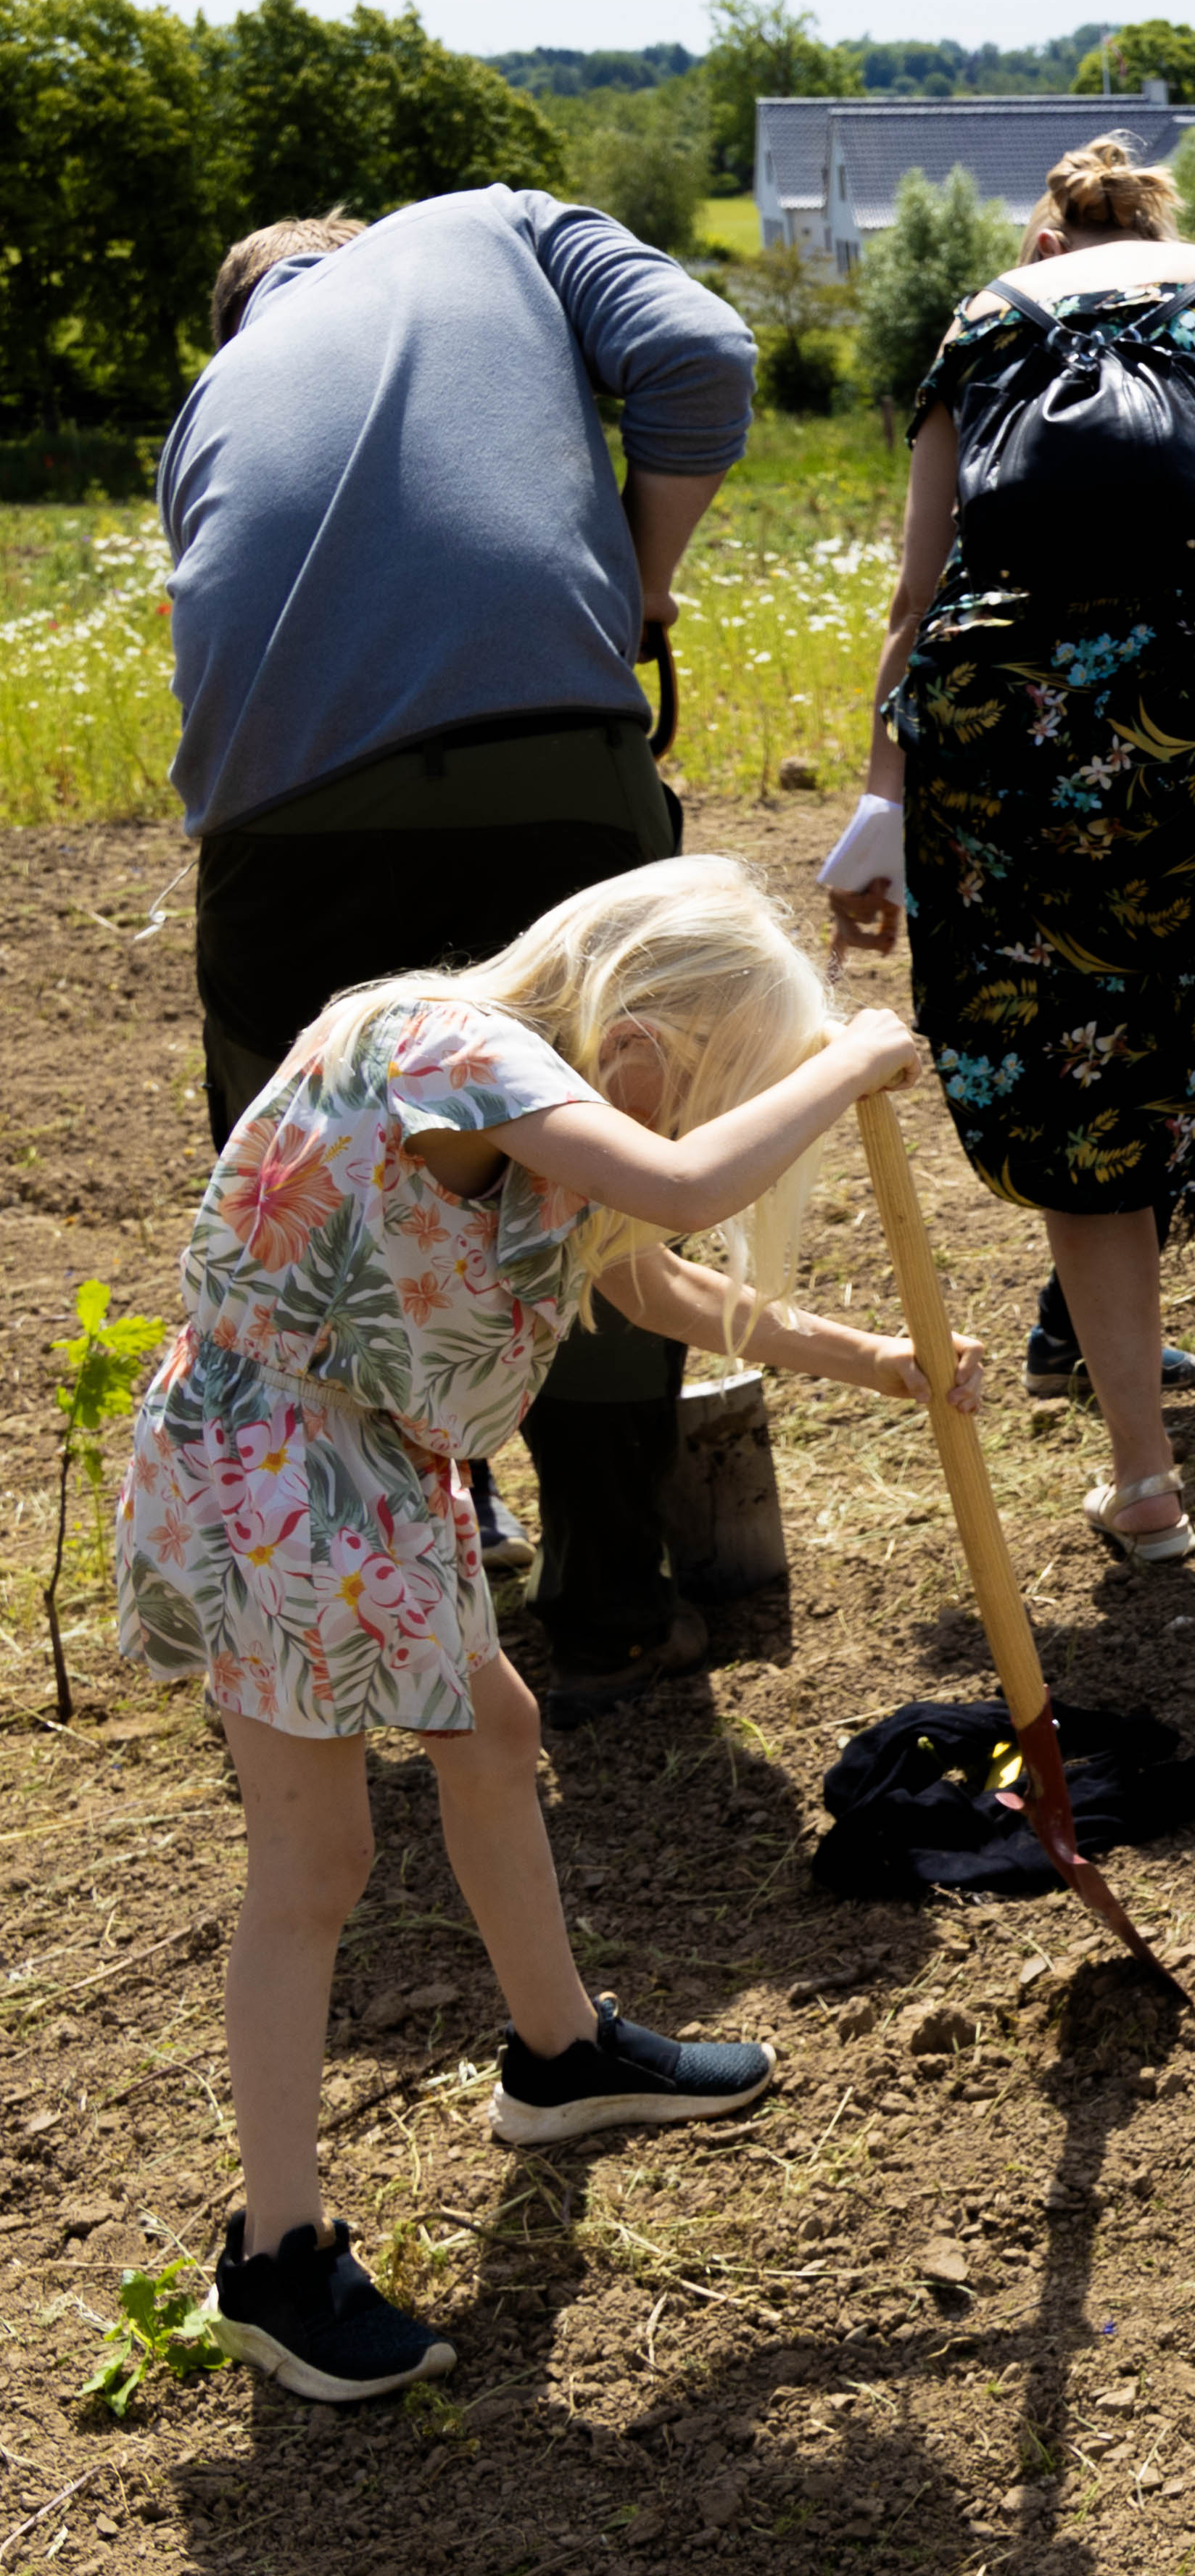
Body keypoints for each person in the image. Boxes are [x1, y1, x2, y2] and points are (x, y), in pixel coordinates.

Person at [117, 863, 981, 2401]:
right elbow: (682, 1188)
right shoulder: (452, 1043)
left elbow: (643, 1268)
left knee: (496, 1728)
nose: (685, 1115)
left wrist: (867, 1355)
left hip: (372, 1466)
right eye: (702, 1079)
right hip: (275, 1471)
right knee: (314, 1867)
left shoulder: (528, 1107)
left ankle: (559, 2054)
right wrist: (852, 1058)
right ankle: (273, 2252)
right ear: (637, 1021)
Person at [163, 191, 751, 1723]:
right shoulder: (497, 224)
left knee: (324, 1180)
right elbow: (698, 349)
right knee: (598, 1164)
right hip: (541, 762)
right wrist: (639, 572)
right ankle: (617, 1603)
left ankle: (393, 1557)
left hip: (280, 823)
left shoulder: (217, 393)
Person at [824, 136, 1195, 1562]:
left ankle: (1143, 1479)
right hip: (1192, 719)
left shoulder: (983, 321)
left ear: (1050, 238)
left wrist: (878, 804)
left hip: (990, 736)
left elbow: (917, 598)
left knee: (1071, 1070)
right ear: (1165, 225)